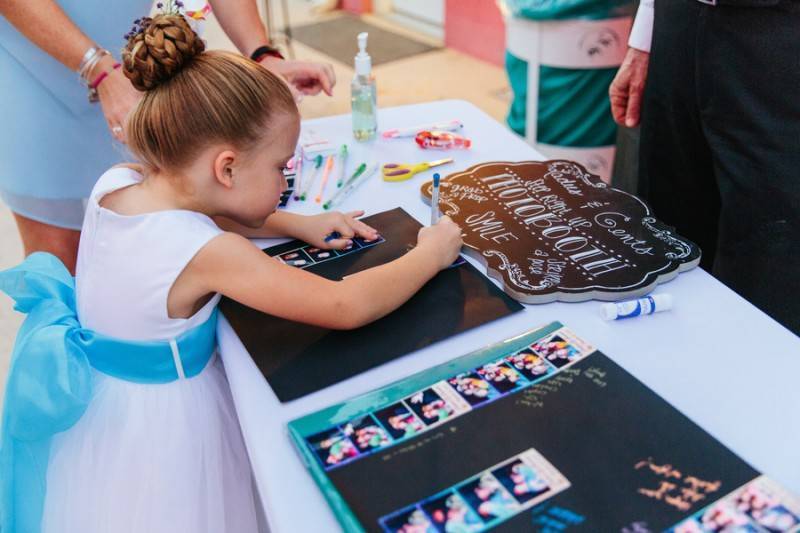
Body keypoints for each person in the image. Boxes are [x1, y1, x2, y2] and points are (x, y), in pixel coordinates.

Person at [0, 12, 463, 533]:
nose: (285, 179)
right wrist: (430, 253)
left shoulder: (118, 182)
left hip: (108, 411)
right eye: (280, 167)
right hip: (169, 432)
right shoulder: (211, 254)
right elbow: (343, 305)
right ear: (226, 167)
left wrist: (297, 223)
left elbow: (202, 212)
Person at [0, 0, 336, 274]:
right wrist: (98, 69)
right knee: (59, 263)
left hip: (142, 70)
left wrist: (260, 54)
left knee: (165, 229)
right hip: (36, 66)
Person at [609, 0, 800, 335]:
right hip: (677, 22)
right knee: (664, 243)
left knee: (769, 261)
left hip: (780, 34)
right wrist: (645, 39)